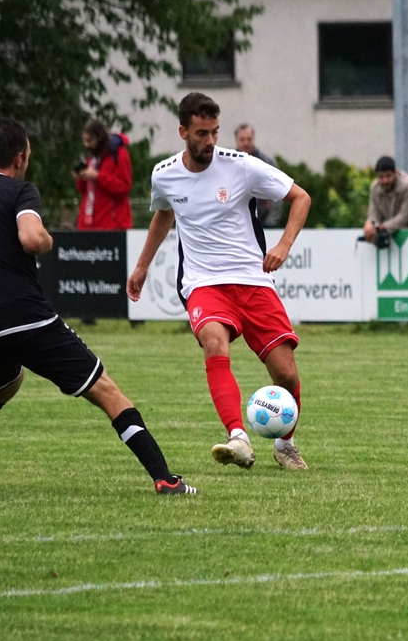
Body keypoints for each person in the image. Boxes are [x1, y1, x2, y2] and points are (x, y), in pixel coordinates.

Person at [0, 119, 196, 494]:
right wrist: (48, 241)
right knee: (107, 390)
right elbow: (32, 239)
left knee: (4, 384)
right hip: (23, 315)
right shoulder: (19, 190)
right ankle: (165, 479)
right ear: (19, 158)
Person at [127, 93, 312, 471]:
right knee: (214, 342)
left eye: (214, 132)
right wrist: (143, 266)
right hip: (203, 283)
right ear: (183, 132)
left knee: (286, 374)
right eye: (201, 133)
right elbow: (164, 213)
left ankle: (285, 444)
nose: (210, 141)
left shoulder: (241, 166)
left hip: (253, 281)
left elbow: (300, 197)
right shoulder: (164, 174)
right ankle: (238, 437)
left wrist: (283, 245)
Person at [74, 119, 133, 230]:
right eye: (85, 141)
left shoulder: (119, 154)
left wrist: (98, 176)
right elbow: (83, 191)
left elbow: (124, 187)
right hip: (89, 223)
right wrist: (81, 177)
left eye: (89, 141)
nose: (87, 145)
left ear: (99, 138)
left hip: (113, 223)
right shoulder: (92, 158)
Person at [361, 156, 408, 246]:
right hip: (400, 231)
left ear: (395, 172)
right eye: (381, 177)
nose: (385, 180)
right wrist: (370, 224)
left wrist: (381, 228)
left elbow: (405, 217)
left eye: (388, 176)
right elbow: (374, 213)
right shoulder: (375, 188)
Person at [236, 123, 282, 228]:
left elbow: (279, 192)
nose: (246, 143)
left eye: (249, 139)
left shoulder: (266, 163)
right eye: (242, 139)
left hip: (263, 223)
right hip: (237, 224)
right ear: (237, 141)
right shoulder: (229, 163)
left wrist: (271, 222)